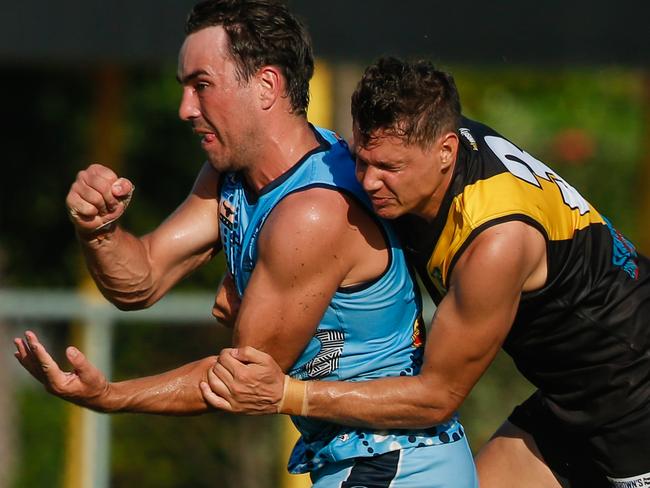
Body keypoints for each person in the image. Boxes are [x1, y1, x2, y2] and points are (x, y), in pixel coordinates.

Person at [13, 3, 478, 487]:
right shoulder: (234, 174)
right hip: (364, 465)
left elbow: (241, 378)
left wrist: (111, 396)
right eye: (184, 88)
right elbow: (140, 281)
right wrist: (98, 230)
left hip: (400, 466)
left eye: (202, 85)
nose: (186, 109)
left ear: (267, 86)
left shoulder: (312, 212)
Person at [199, 57, 650, 488]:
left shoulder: (494, 241)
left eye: (389, 168)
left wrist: (286, 395)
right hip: (570, 398)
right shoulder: (425, 143)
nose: (369, 181)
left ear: (446, 152)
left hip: (634, 399)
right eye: (362, 159)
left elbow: (436, 396)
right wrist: (244, 266)